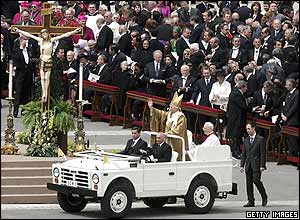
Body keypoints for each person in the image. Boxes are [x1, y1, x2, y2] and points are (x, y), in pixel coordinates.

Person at [13, 27, 81, 103]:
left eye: (45, 33)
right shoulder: (40, 41)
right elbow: (29, 34)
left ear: (48, 34)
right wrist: (19, 30)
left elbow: (64, 35)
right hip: (42, 60)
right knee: (43, 78)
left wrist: (74, 31)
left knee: (47, 78)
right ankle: (44, 94)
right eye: (43, 34)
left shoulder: (51, 40)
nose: (44, 35)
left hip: (49, 60)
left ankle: (45, 93)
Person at [147, 92, 188, 161]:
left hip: (175, 140)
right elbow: (160, 114)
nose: (169, 108)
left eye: (171, 107)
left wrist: (168, 133)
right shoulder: (169, 114)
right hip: (167, 137)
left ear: (176, 108)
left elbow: (179, 129)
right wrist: (151, 108)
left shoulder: (181, 117)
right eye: (170, 106)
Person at [240, 121, 268, 207]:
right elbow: (244, 153)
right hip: (248, 165)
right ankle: (251, 201)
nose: (247, 130)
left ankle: (264, 196)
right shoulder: (246, 140)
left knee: (256, 181)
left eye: (249, 129)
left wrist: (262, 165)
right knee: (248, 184)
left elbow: (263, 153)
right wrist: (242, 165)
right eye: (247, 129)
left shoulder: (260, 139)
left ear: (253, 128)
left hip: (257, 165)